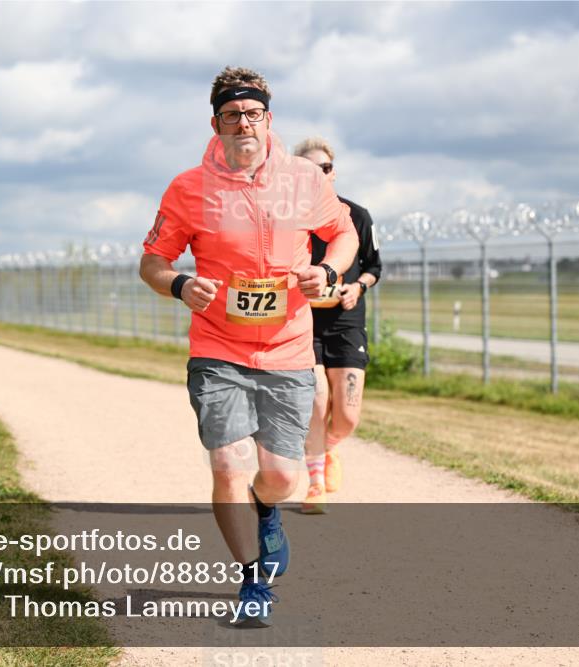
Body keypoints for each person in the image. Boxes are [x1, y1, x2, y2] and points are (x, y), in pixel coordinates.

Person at [139, 67, 358, 626]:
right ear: (215, 123)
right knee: (227, 462)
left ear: (269, 119)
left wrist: (329, 273)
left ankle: (268, 511)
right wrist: (183, 285)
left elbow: (344, 232)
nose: (244, 124)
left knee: (282, 477)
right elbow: (152, 263)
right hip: (218, 347)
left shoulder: (305, 181)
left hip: (287, 348)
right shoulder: (188, 188)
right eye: (232, 115)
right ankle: (251, 579)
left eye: (253, 113)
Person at [294, 137, 382, 514]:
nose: (319, 175)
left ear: (334, 171)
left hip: (346, 321)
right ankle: (315, 483)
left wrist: (357, 287)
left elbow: (374, 266)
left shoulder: (357, 216)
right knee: (315, 400)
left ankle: (328, 450)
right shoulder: (289, 219)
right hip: (301, 321)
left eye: (325, 168)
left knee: (346, 415)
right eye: (310, 169)